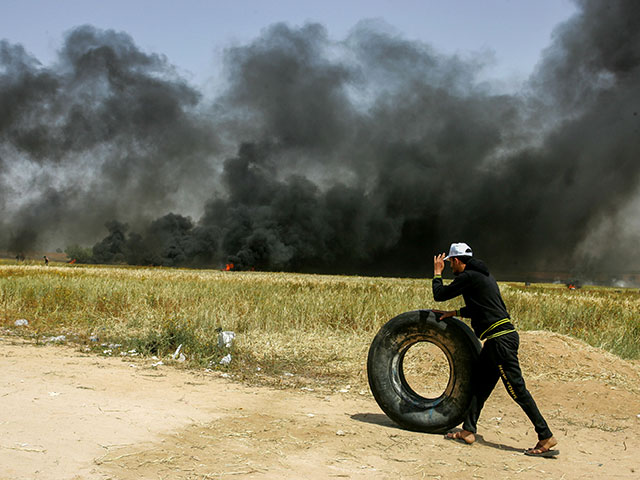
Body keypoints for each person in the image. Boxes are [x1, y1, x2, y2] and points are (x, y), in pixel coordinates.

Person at [432, 242, 558, 457]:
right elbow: (480, 307)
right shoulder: (484, 275)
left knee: (517, 389)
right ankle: (468, 430)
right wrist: (455, 313)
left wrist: (436, 273)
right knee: (479, 384)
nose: (450, 267)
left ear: (456, 260)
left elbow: (440, 294)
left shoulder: (468, 276)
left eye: (450, 262)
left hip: (500, 342)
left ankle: (545, 436)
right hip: (497, 340)